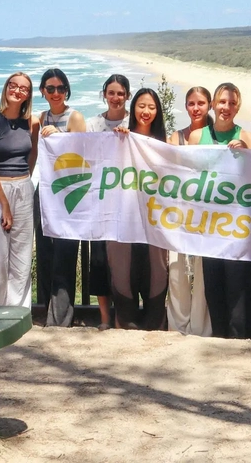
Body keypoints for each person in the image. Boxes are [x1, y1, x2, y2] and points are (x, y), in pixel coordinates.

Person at [188, 82, 251, 339]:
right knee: (214, 289)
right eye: (222, 102)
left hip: (236, 229)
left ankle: (239, 344)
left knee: (237, 290)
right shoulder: (197, 137)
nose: (226, 108)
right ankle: (219, 343)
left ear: (238, 106)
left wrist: (246, 155)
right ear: (213, 104)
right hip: (208, 228)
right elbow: (185, 176)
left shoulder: (248, 138)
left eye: (231, 103)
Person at [37, 68, 104, 328]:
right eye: (50, 88)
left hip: (69, 194)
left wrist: (60, 136)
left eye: (61, 88)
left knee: (65, 255)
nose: (56, 93)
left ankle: (61, 319)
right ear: (43, 91)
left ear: (67, 90)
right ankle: (46, 311)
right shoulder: (40, 117)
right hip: (44, 192)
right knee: (45, 255)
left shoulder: (74, 117)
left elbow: (82, 153)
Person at [109, 88, 170, 330]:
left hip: (156, 223)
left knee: (156, 275)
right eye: (141, 106)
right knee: (123, 276)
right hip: (124, 221)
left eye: (152, 107)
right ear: (133, 108)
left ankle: (154, 330)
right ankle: (127, 329)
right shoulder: (121, 138)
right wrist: (119, 137)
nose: (146, 111)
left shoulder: (166, 144)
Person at [0, 71, 39, 308]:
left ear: (28, 95)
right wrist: (4, 203)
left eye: (23, 88)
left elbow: (32, 154)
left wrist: (25, 180)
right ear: (6, 89)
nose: (17, 91)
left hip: (23, 187)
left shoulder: (32, 123)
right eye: (13, 86)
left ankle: (18, 312)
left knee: (22, 255)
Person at [82, 73, 133, 327]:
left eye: (120, 93)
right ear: (104, 95)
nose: (116, 98)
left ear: (128, 96)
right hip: (99, 202)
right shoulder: (92, 124)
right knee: (100, 259)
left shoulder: (134, 124)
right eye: (111, 93)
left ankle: (123, 318)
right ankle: (104, 317)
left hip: (128, 204)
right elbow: (79, 150)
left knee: (125, 261)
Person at [165, 86, 213, 337]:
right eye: (192, 103)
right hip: (178, 214)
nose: (196, 108)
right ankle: (177, 325)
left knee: (204, 273)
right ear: (186, 107)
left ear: (209, 105)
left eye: (201, 103)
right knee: (176, 270)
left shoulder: (215, 136)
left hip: (210, 217)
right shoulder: (176, 137)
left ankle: (201, 328)